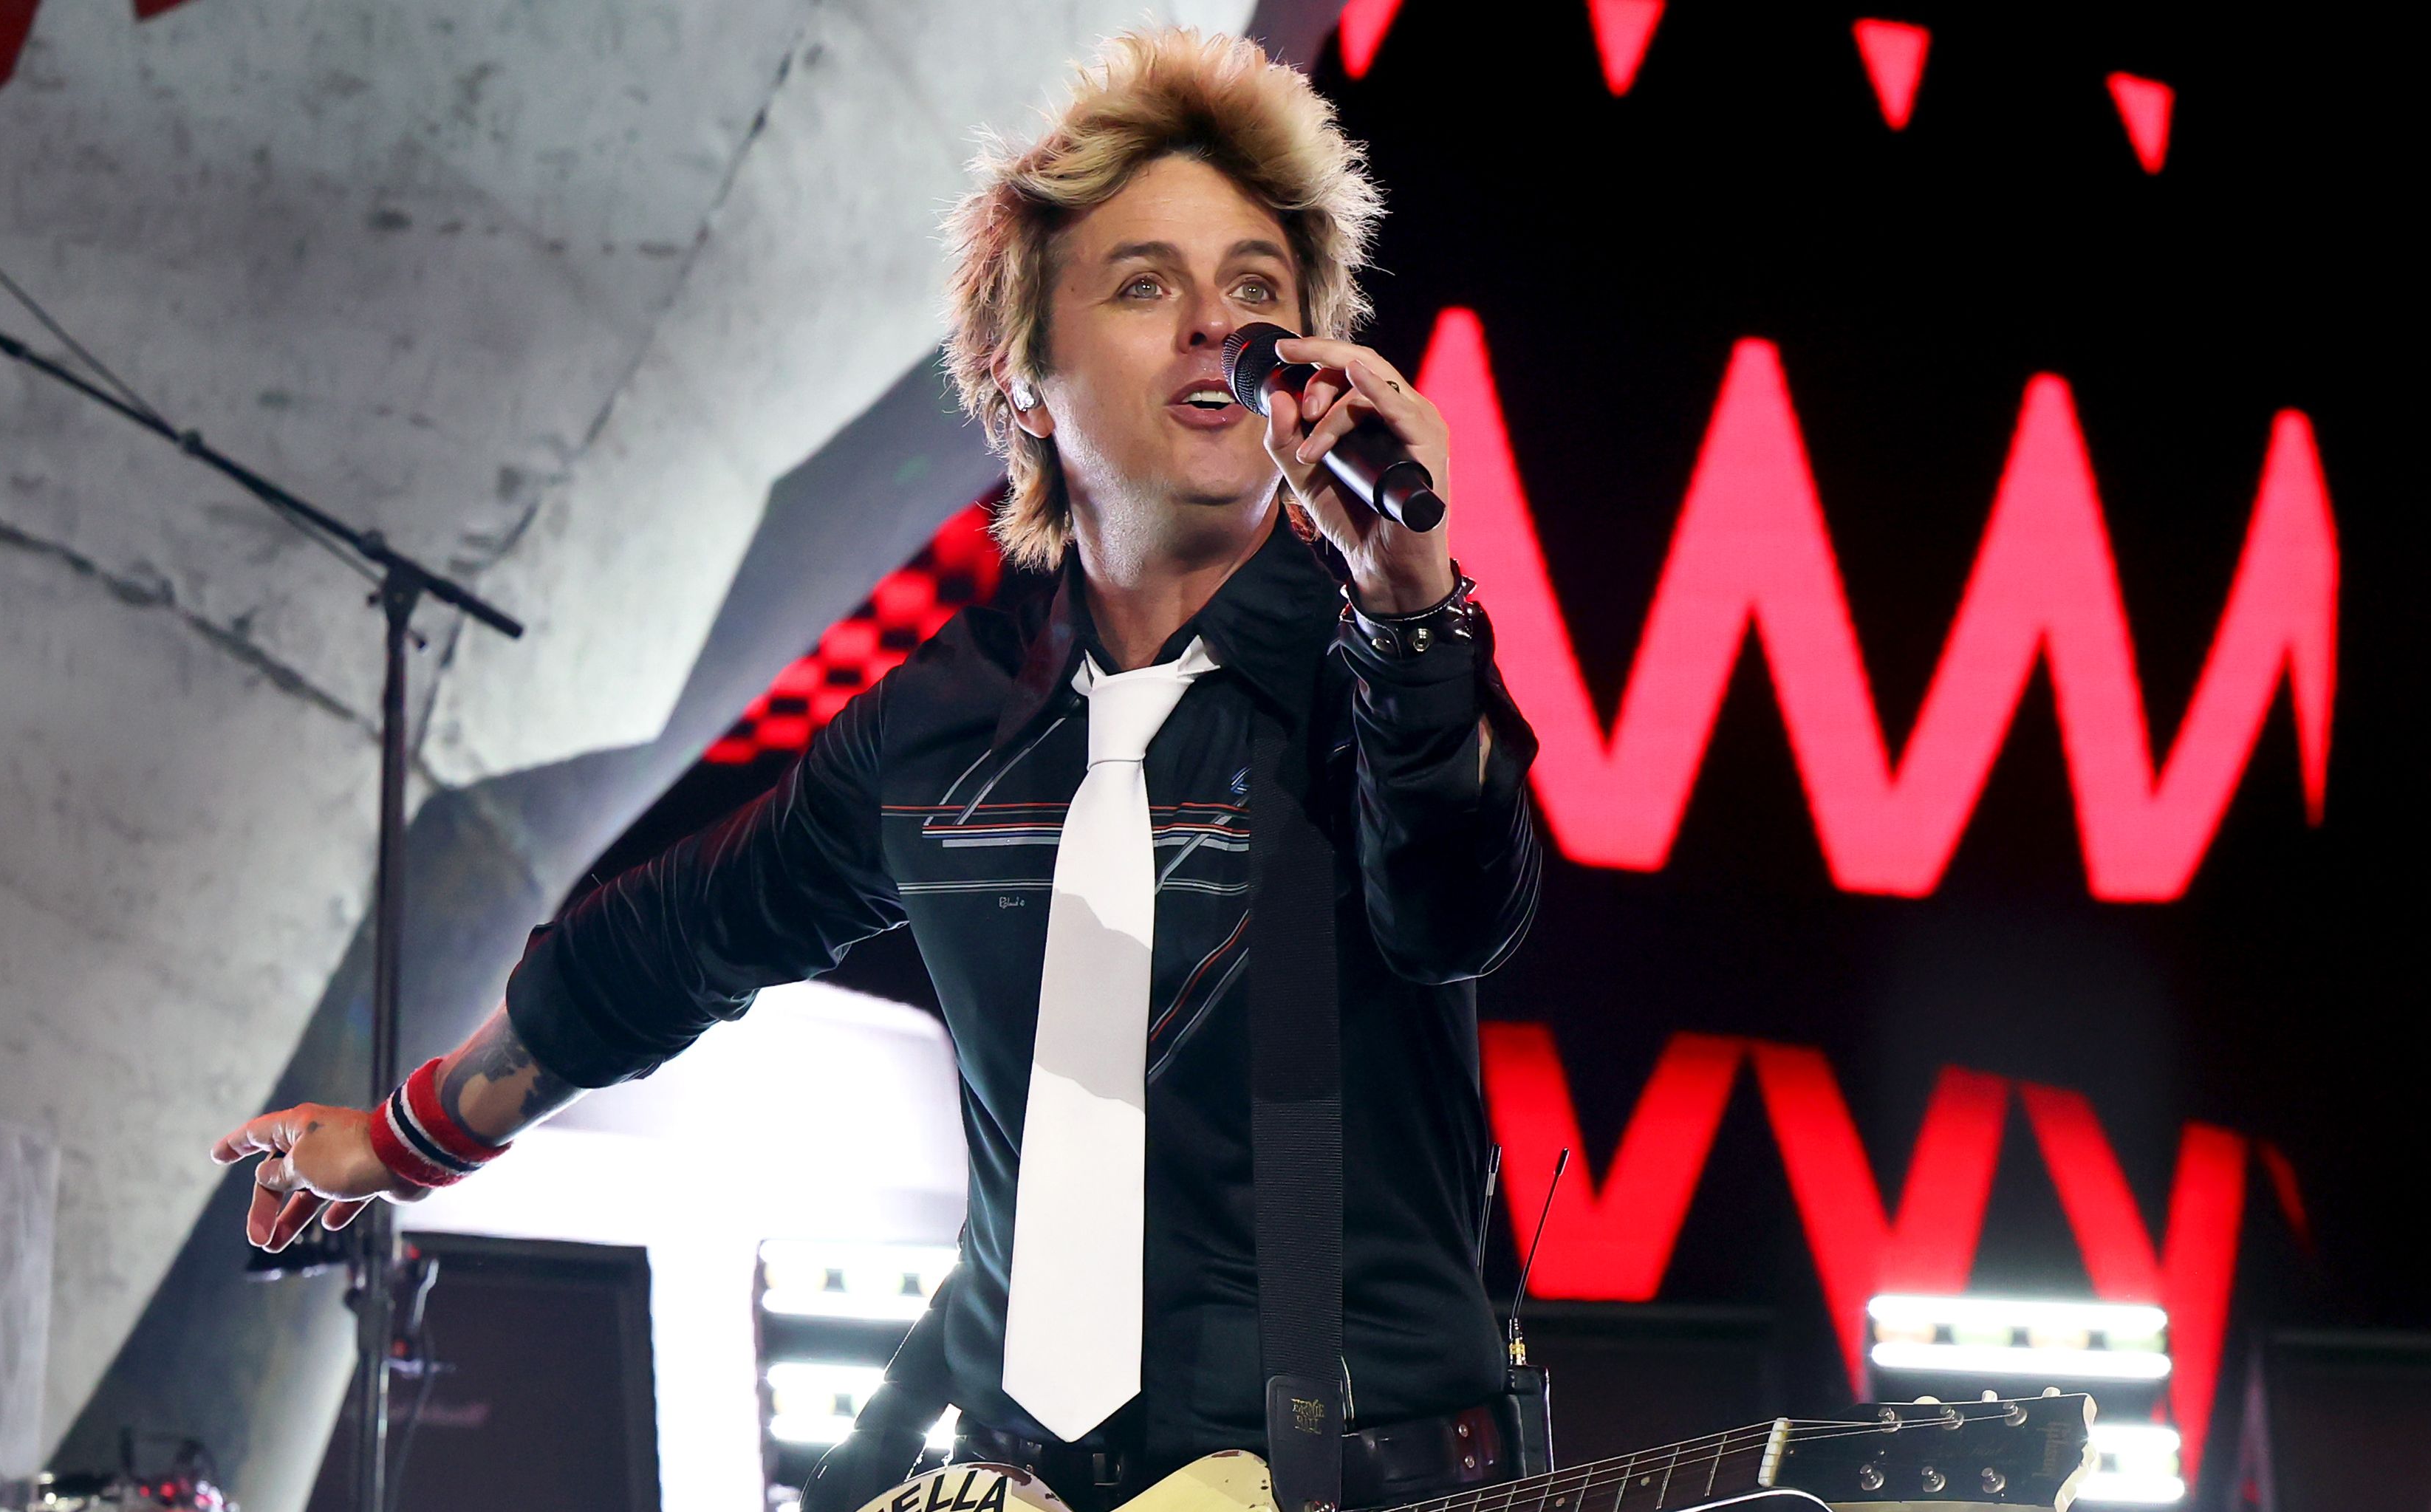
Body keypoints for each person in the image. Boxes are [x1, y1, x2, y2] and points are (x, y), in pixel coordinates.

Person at [212, 26, 1542, 1511]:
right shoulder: (940, 727)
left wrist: (1414, 608)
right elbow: (663, 945)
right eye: (1143, 284)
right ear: (1019, 375)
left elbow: (1453, 907)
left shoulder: (1376, 671)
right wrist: (405, 1136)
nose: (1211, 331)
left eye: (1254, 292)